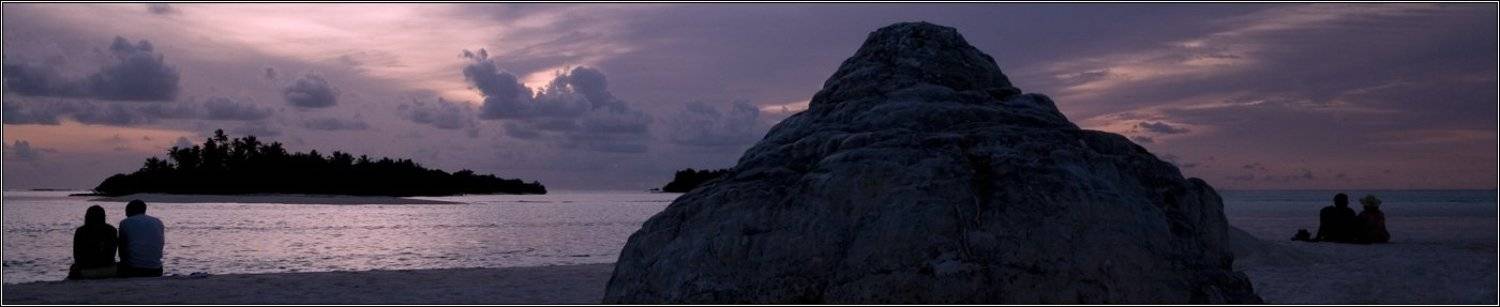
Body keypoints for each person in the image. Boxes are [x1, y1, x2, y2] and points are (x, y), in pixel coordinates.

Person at [118, 200, 165, 278]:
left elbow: (122, 249)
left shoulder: (125, 222)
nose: (125, 214)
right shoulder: (158, 221)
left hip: (134, 269)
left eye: (126, 210)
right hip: (157, 269)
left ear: (130, 210)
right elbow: (160, 244)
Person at [68, 205, 118, 279]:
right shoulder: (112, 230)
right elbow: (112, 252)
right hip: (108, 269)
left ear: (87, 217)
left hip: (85, 269)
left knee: (73, 268)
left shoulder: (80, 231)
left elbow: (76, 254)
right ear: (103, 217)